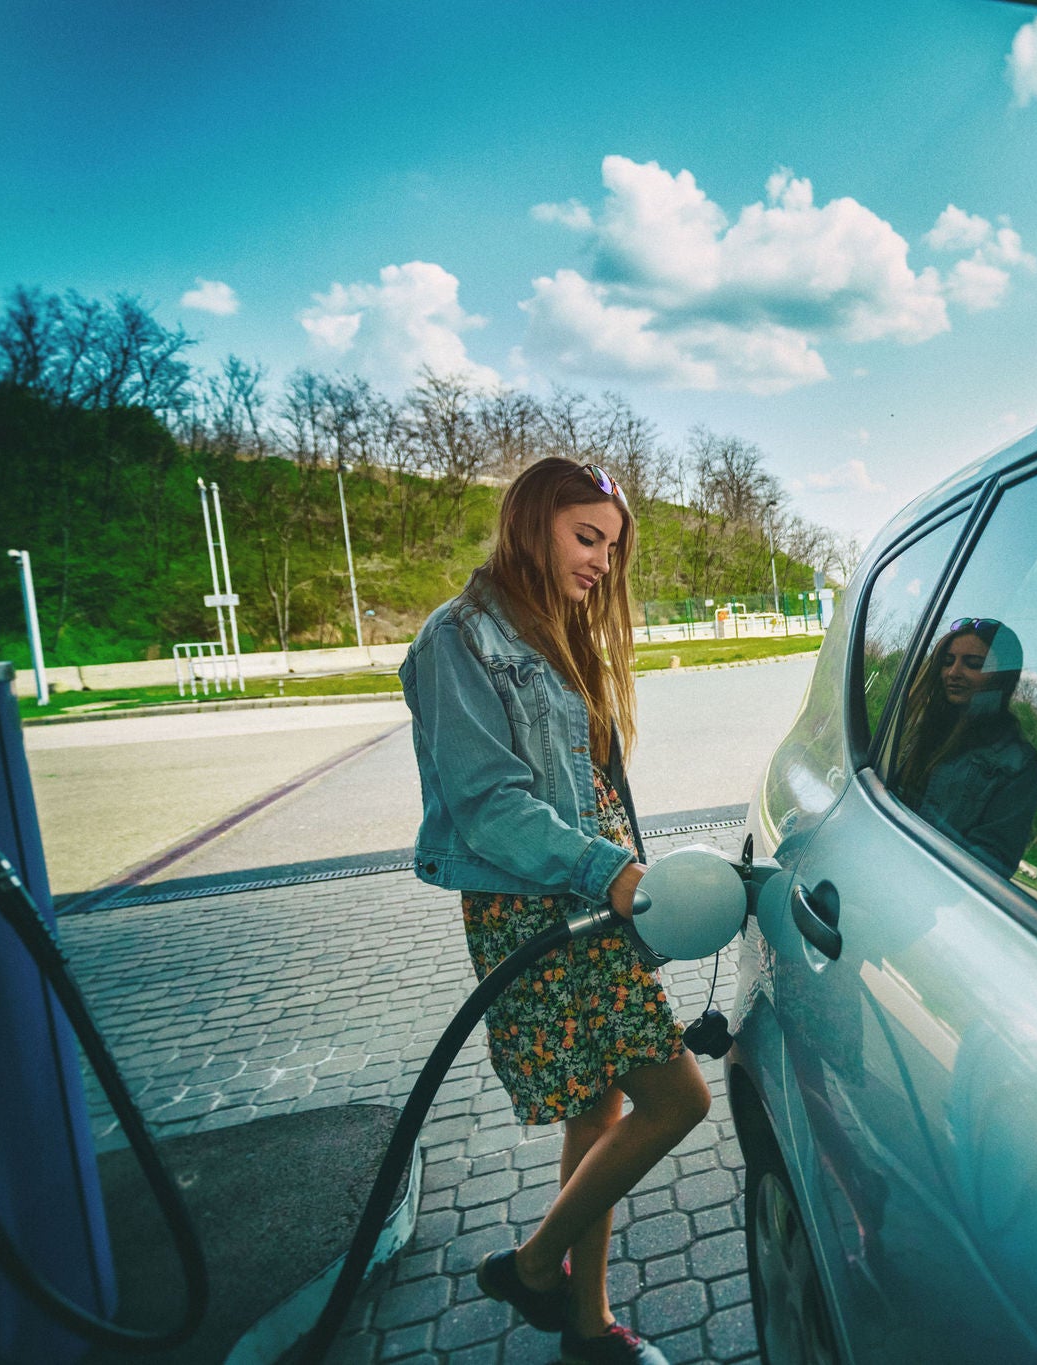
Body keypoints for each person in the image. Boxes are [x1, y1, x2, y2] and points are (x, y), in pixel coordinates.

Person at [399, 457, 706, 1365]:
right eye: (587, 538)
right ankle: (535, 1267)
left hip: (594, 892)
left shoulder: (559, 627)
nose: (602, 564)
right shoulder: (458, 638)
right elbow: (488, 805)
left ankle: (587, 1325)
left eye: (612, 548)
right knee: (675, 1098)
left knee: (601, 1105)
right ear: (532, 522)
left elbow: (597, 783)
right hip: (543, 905)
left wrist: (628, 877)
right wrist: (611, 873)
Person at [892, 616, 1037, 877]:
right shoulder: (922, 725)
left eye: (973, 664)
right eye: (948, 661)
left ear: (1002, 677)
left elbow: (992, 861)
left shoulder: (1017, 763)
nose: (953, 673)